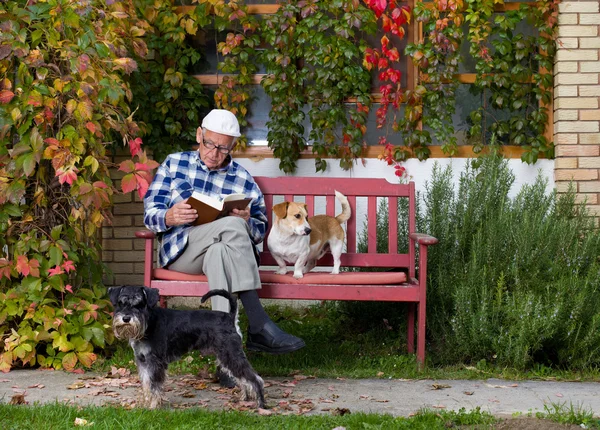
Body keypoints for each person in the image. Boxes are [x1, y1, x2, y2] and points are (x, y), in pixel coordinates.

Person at [143, 109, 305, 385]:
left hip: (220, 252)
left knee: (224, 245)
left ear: (233, 147)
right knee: (232, 227)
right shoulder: (173, 164)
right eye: (209, 144)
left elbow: (260, 229)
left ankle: (226, 361)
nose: (214, 153)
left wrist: (246, 221)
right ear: (199, 135)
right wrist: (169, 216)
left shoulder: (242, 178)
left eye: (223, 148)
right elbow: (150, 215)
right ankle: (258, 323)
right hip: (183, 251)